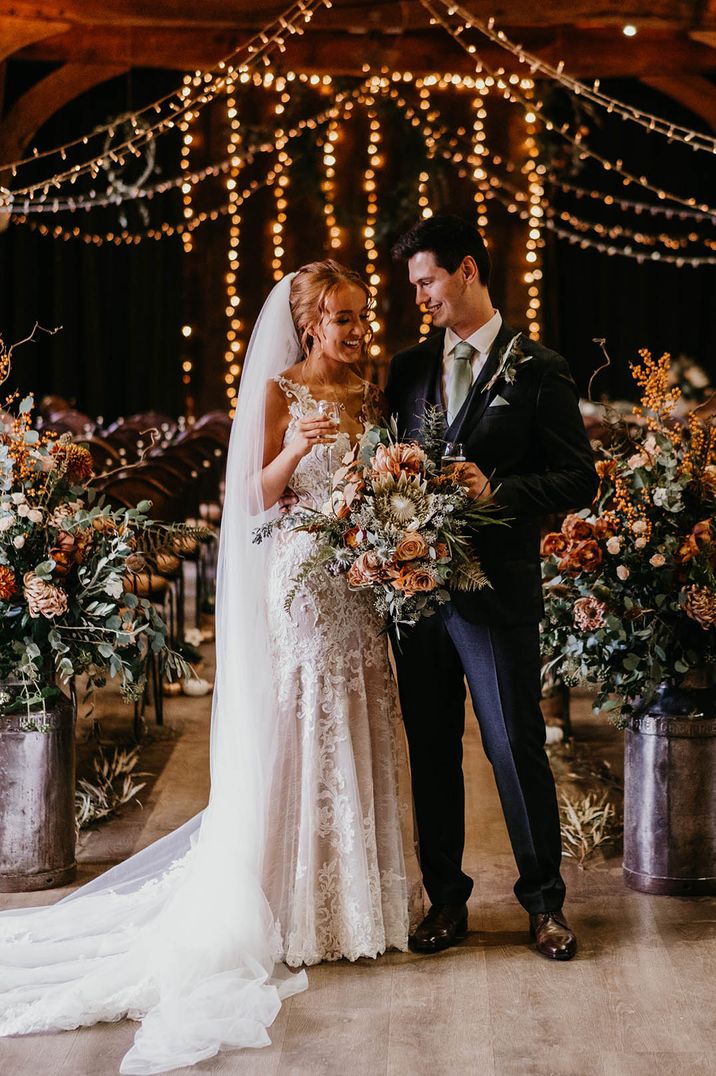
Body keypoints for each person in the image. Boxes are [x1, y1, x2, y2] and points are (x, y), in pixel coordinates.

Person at [0, 261, 419, 1074]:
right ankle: (292, 904)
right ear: (309, 324)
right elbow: (256, 500)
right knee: (304, 719)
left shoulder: (371, 390)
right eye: (342, 318)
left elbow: (371, 479)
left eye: (363, 316)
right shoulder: (279, 392)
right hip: (300, 578)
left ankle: (362, 904)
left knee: (362, 710)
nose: (358, 330)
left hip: (357, 577)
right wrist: (296, 449)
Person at [387, 215, 598, 961]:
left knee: (514, 746)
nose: (421, 298)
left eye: (429, 281)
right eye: (413, 285)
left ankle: (545, 904)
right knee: (433, 750)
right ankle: (446, 901)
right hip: (415, 596)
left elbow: (580, 476)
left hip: (499, 593)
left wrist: (497, 488)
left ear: (468, 269)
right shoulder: (407, 369)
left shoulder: (537, 366)